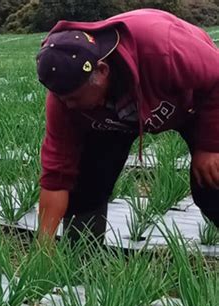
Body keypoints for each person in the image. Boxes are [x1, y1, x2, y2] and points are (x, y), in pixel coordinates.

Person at [35, 9, 219, 243]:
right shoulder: (64, 100)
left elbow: (216, 77)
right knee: (86, 182)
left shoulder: (162, 47)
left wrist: (211, 146)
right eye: (63, 99)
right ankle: (82, 258)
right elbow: (56, 175)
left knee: (212, 182)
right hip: (116, 118)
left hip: (194, 102)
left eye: (75, 98)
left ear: (102, 71)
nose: (69, 105)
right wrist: (43, 246)